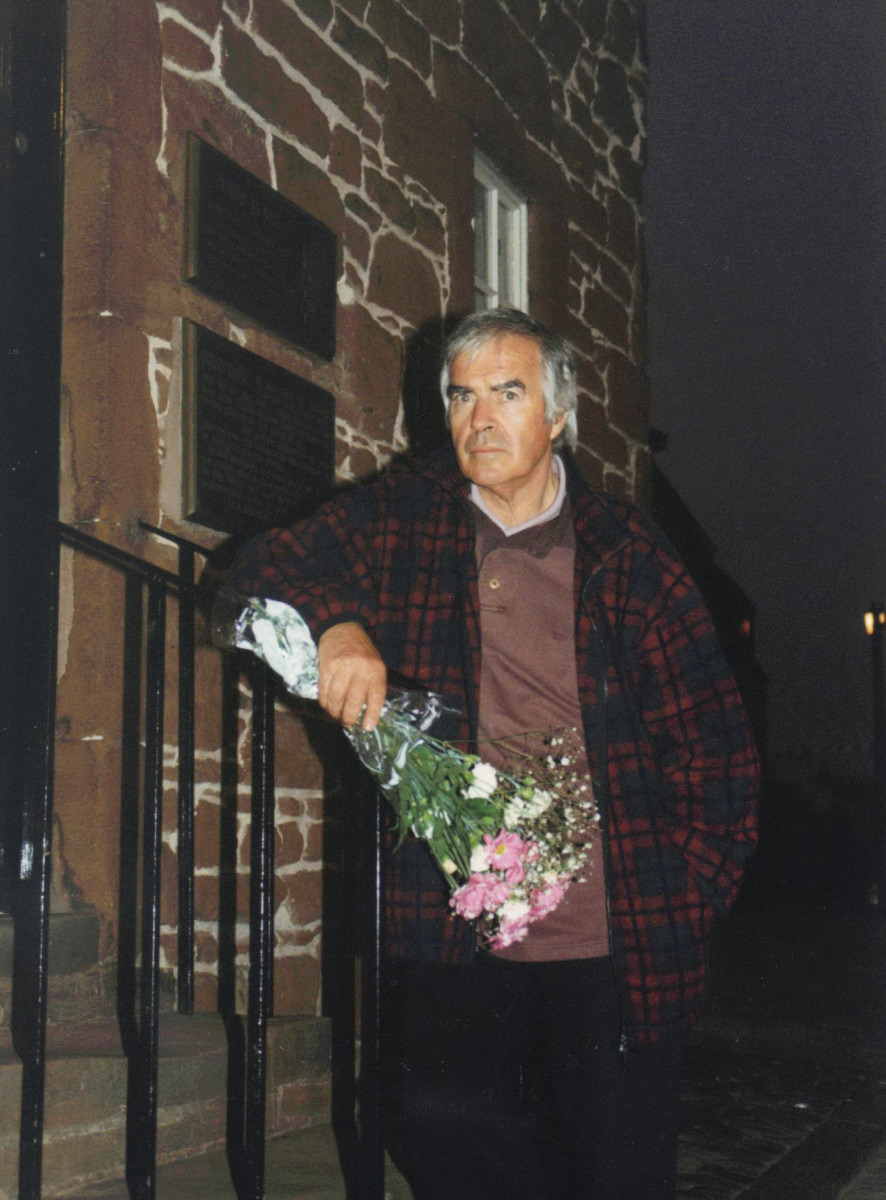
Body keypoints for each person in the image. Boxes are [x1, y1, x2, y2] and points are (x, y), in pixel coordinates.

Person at [227, 307, 760, 1199]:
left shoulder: (629, 556)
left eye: (509, 393)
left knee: (619, 1168)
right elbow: (258, 572)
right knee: (432, 1121)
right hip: (457, 923)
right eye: (463, 396)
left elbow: (717, 751)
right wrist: (338, 622)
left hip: (613, 927)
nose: (481, 419)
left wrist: (682, 890)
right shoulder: (402, 518)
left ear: (558, 415)